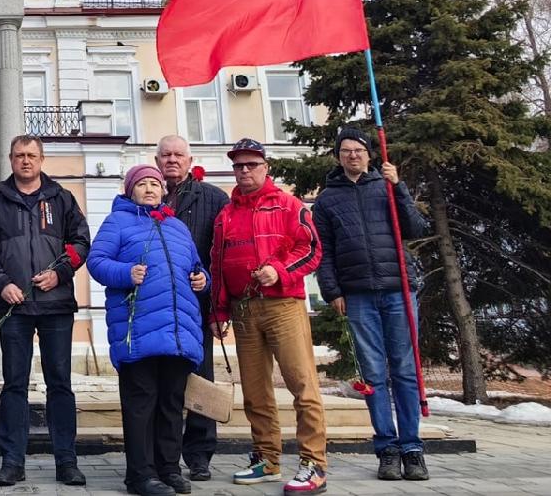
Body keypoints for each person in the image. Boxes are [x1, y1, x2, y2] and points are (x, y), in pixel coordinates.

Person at [210, 138, 327, 493]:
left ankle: (314, 464)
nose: (244, 171)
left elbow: (310, 249)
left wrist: (279, 269)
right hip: (243, 311)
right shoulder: (226, 214)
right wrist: (218, 309)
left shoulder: (289, 205)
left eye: (251, 165)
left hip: (283, 306)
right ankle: (266, 458)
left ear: (266, 168)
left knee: (302, 385)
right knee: (255, 391)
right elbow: (217, 264)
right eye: (238, 166)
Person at [313, 127, 430, 482]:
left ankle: (412, 449)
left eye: (359, 150)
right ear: (338, 157)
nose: (353, 156)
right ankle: (387, 450)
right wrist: (332, 292)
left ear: (370, 154)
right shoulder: (327, 199)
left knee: (405, 372)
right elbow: (324, 252)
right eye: (345, 151)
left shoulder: (386, 187)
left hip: (398, 289)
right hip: (358, 295)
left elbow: (415, 229)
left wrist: (400, 189)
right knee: (375, 375)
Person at [0, 135, 91, 487]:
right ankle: (12, 461)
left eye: (32, 155)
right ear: (10, 159)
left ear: (42, 159)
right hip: (15, 308)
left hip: (56, 307)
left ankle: (66, 462)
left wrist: (60, 273)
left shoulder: (62, 199)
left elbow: (82, 242)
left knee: (60, 385)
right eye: (19, 155)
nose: (26, 161)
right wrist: (2, 282)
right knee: (14, 386)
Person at [87, 165, 209, 496]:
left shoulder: (177, 226)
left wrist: (202, 279)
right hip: (137, 329)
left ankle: (169, 469)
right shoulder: (118, 221)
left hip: (178, 330)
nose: (151, 188)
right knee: (142, 403)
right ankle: (140, 475)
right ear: (130, 190)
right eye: (143, 184)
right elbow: (96, 262)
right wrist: (126, 272)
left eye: (155, 183)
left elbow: (196, 266)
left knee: (171, 402)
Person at [155, 135, 229, 482]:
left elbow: (222, 257)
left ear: (190, 159)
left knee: (199, 378)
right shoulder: (143, 196)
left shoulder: (213, 198)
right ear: (157, 160)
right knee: (160, 382)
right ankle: (161, 453)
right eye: (166, 155)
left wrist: (217, 305)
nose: (172, 160)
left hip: (196, 308)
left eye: (178, 155)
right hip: (155, 310)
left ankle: (199, 455)